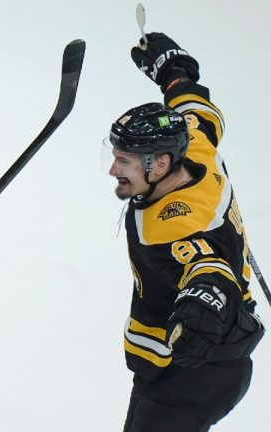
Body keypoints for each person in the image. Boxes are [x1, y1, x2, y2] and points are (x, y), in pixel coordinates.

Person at [106, 32, 264, 431]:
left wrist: (204, 301)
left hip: (197, 367)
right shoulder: (194, 143)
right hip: (177, 360)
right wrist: (175, 74)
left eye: (123, 161)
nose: (113, 171)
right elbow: (197, 109)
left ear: (158, 164)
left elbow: (207, 268)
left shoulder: (172, 225)